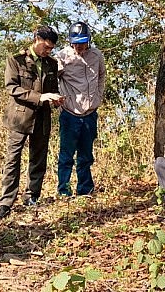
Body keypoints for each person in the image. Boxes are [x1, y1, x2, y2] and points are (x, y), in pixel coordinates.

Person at [0, 26, 64, 219]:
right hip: (19, 117)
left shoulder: (52, 63)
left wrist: (55, 99)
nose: (48, 50)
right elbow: (12, 88)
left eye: (51, 48)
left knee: (38, 159)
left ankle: (32, 196)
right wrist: (39, 97)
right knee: (12, 160)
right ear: (36, 39)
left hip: (42, 118)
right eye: (46, 46)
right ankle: (6, 202)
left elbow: (52, 88)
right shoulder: (16, 60)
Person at [53, 22, 106, 197]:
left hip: (90, 114)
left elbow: (101, 76)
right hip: (70, 114)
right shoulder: (61, 57)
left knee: (86, 156)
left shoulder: (96, 56)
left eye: (82, 42)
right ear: (70, 42)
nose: (79, 46)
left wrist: (98, 96)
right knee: (66, 156)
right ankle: (64, 190)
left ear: (89, 40)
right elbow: (50, 76)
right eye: (76, 43)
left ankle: (85, 190)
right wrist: (56, 97)